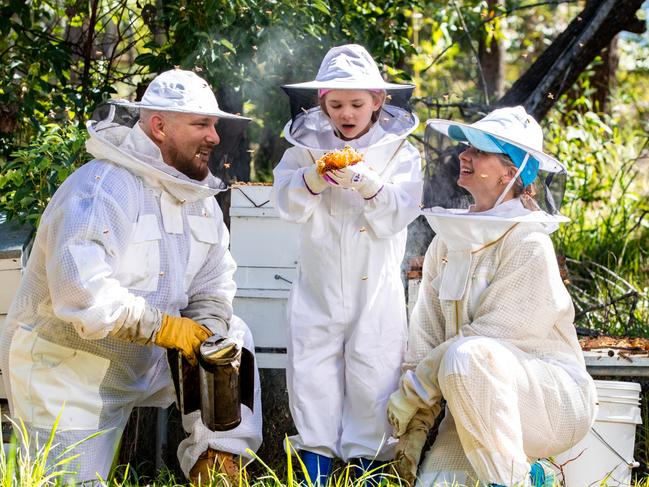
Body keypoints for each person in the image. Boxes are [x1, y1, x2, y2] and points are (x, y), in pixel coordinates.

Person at [0, 69, 262, 484]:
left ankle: (218, 463)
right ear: (159, 127)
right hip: (68, 370)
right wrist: (165, 327)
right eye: (200, 124)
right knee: (69, 482)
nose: (214, 137)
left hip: (148, 362)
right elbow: (81, 293)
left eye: (214, 125)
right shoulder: (102, 188)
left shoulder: (199, 201)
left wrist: (205, 332)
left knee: (232, 335)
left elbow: (213, 285)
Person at [387, 106, 597, 487]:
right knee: (440, 483)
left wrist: (416, 390)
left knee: (468, 355)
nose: (463, 156)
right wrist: (416, 425)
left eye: (479, 151)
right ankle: (528, 476)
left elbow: (491, 340)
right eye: (467, 147)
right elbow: (426, 339)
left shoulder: (528, 242)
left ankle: (518, 481)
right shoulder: (446, 243)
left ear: (512, 170)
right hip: (472, 399)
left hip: (549, 401)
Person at [272, 44, 423, 484]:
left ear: (378, 100)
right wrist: (311, 178)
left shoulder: (402, 153)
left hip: (374, 289)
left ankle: (367, 471)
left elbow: (399, 213)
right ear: (322, 103)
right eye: (335, 104)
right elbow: (285, 205)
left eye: (357, 103)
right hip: (316, 287)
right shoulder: (304, 147)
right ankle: (313, 470)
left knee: (374, 374)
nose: (346, 112)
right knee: (311, 373)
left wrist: (368, 184)